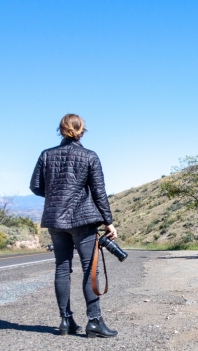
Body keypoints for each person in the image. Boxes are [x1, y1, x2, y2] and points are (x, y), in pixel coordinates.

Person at [30, 113, 118, 338]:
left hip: (55, 219)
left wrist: (55, 196)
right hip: (82, 219)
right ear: (82, 131)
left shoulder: (46, 155)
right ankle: (94, 321)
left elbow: (35, 186)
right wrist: (109, 222)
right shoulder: (90, 156)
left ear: (61, 130)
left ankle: (65, 321)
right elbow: (99, 192)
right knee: (89, 269)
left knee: (62, 268)